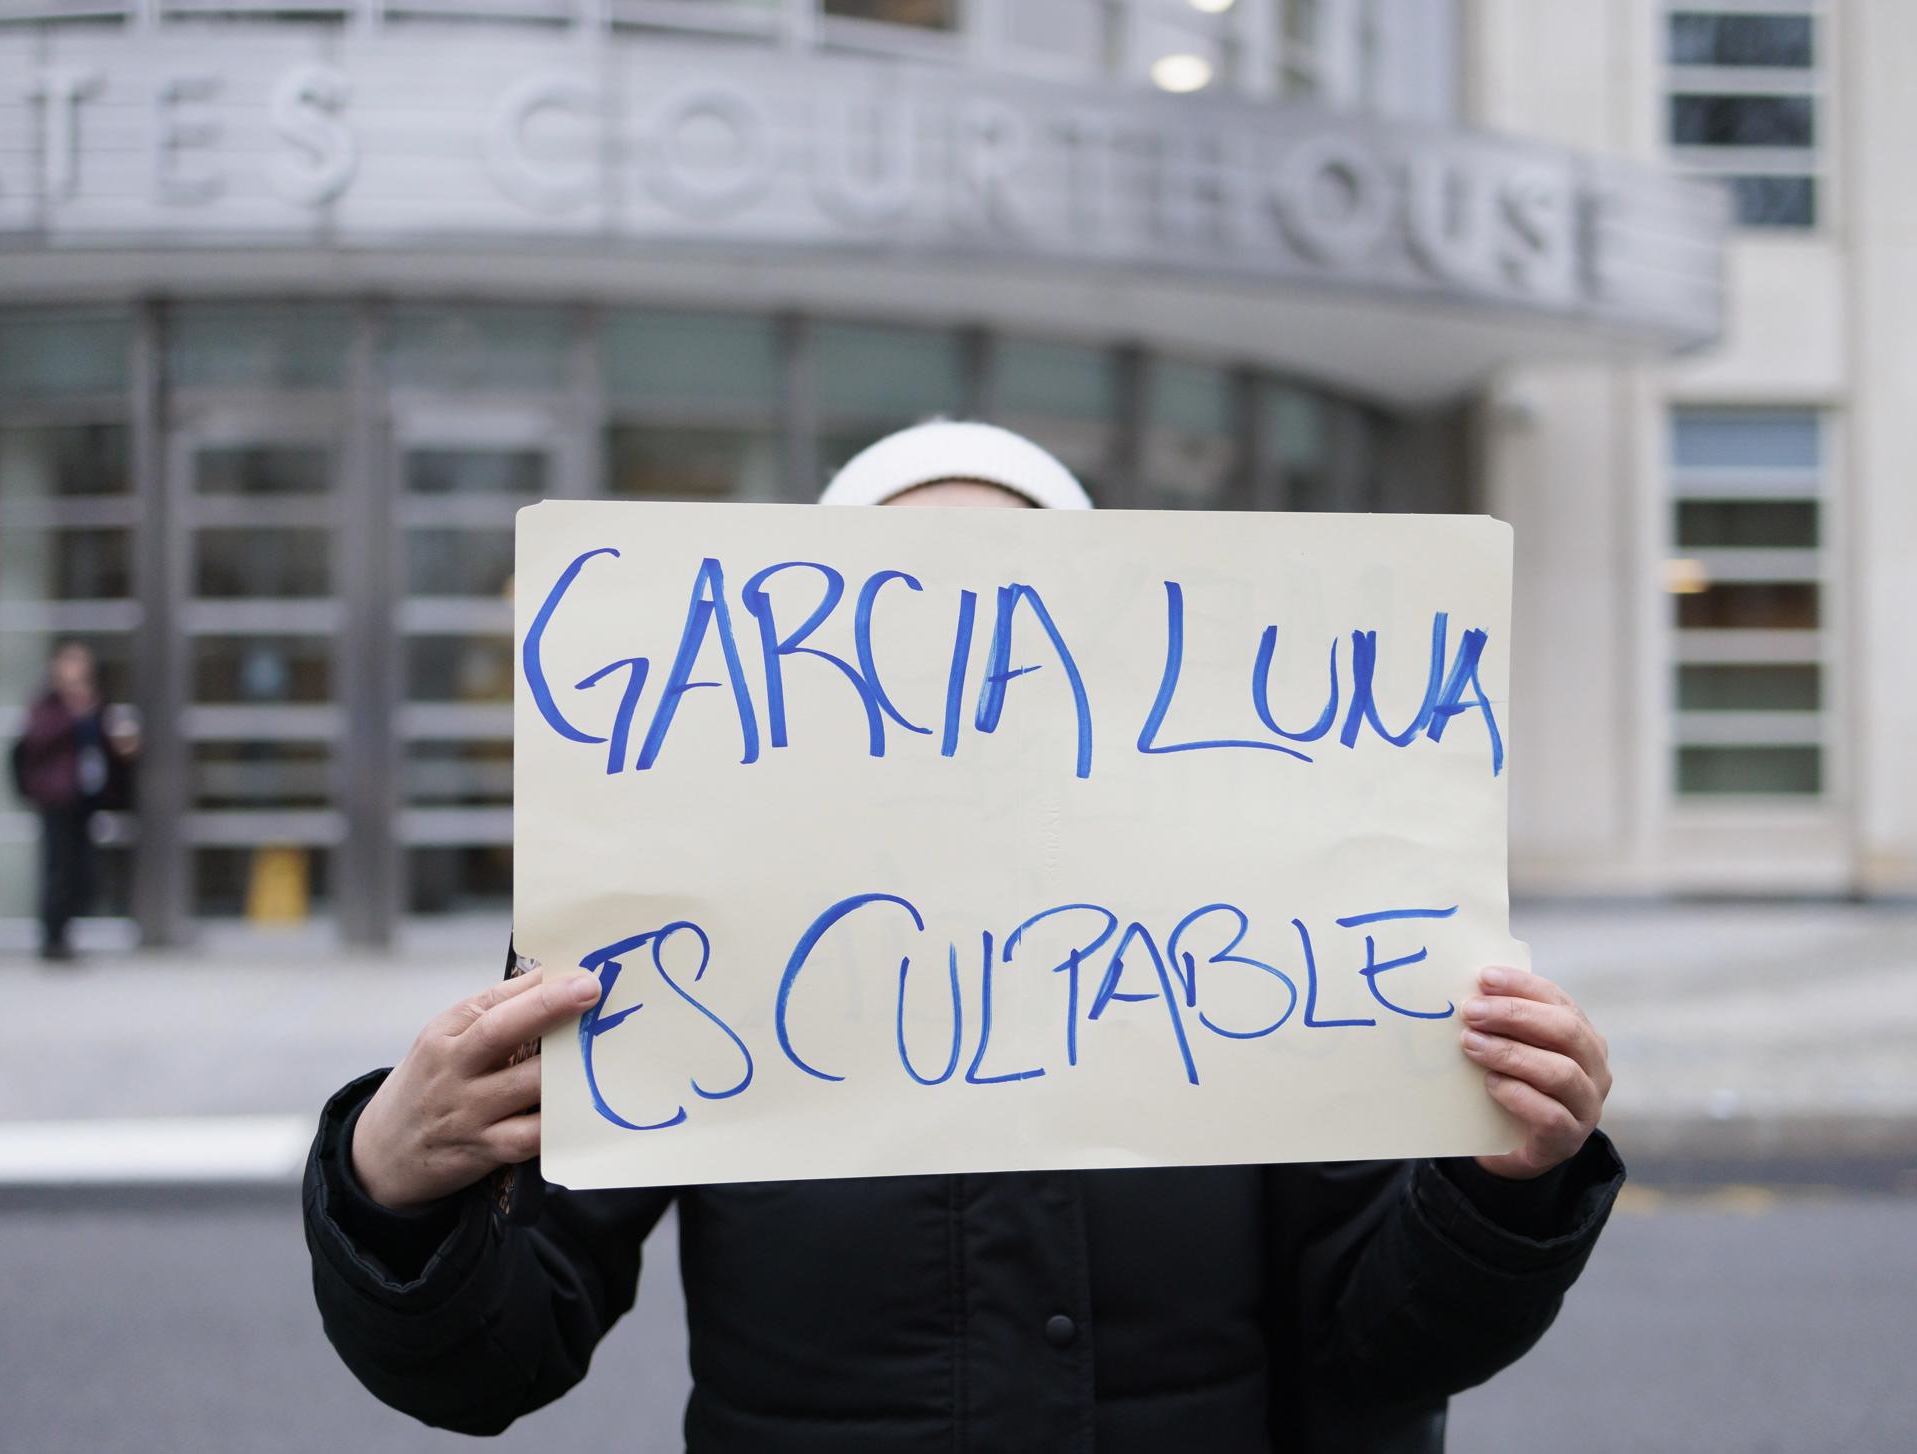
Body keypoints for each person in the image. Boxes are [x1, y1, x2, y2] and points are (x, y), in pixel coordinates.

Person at [304, 422, 1622, 1452]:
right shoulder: (676, 904)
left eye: (1018, 594)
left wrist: (1497, 1191)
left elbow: (1384, 1345)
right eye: (897, 598)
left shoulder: (1256, 902)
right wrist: (392, 1184)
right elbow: (495, 1359)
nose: (960, 648)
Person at [8, 641, 137, 962]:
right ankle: (52, 938)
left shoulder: (96, 702)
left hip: (86, 797)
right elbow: (37, 740)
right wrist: (73, 713)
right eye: (70, 662)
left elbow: (105, 744)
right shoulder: (48, 704)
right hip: (56, 797)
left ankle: (66, 931)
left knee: (81, 869)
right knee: (58, 867)